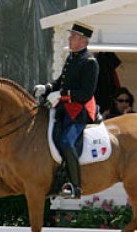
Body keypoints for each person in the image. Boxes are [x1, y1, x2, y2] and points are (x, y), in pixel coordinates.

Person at [33, 21, 99, 199]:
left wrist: (62, 93)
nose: (69, 39)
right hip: (64, 108)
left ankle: (75, 187)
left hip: (79, 112)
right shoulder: (72, 58)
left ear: (83, 41)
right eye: (71, 36)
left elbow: (86, 93)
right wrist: (46, 88)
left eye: (73, 37)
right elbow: (60, 81)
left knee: (66, 142)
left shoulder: (90, 62)